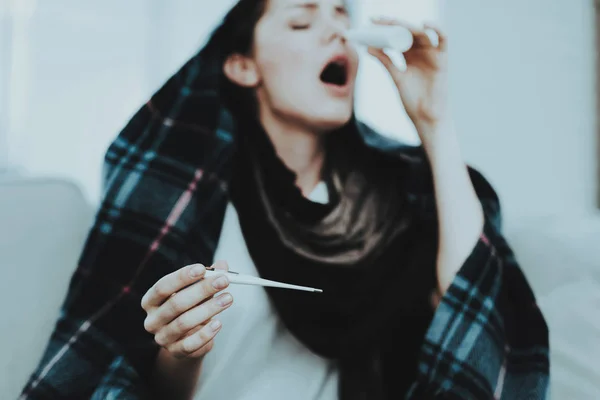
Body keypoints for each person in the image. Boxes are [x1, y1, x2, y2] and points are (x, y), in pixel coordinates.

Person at [20, 0, 549, 399]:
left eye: (342, 16)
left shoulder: (399, 195)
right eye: (302, 21)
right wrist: (182, 349)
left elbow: (474, 309)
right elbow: (133, 376)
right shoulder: (187, 196)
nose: (336, 29)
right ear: (242, 66)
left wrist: (434, 121)